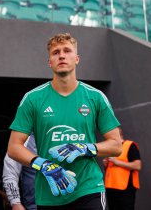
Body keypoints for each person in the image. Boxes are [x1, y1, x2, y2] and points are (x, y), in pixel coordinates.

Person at [7, 33, 122, 210]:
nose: (61, 55)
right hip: (49, 192)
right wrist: (43, 164)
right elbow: (14, 147)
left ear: (76, 59)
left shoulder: (95, 97)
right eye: (55, 52)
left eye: (67, 51)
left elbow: (116, 145)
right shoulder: (32, 99)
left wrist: (85, 148)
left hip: (88, 188)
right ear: (49, 62)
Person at [103, 129, 142, 210]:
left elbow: (137, 166)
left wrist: (117, 162)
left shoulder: (130, 146)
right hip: (111, 186)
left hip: (125, 188)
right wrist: (106, 164)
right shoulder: (111, 149)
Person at [3, 135, 37, 210]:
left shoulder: (65, 135)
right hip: (34, 205)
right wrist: (15, 202)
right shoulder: (24, 139)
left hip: (64, 200)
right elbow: (10, 173)